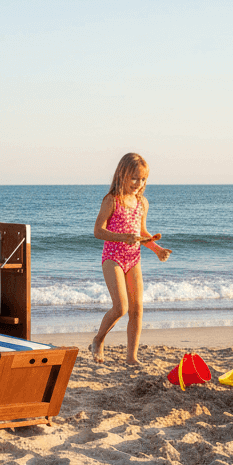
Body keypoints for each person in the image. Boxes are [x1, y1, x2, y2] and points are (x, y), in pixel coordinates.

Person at [90, 153, 171, 365]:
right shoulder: (111, 200)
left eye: (143, 179)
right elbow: (98, 231)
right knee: (121, 308)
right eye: (134, 177)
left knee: (137, 310)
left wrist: (156, 248)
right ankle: (98, 340)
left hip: (133, 258)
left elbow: (141, 232)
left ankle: (131, 357)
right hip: (113, 258)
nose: (139, 183)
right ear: (122, 174)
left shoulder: (142, 202)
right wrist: (122, 238)